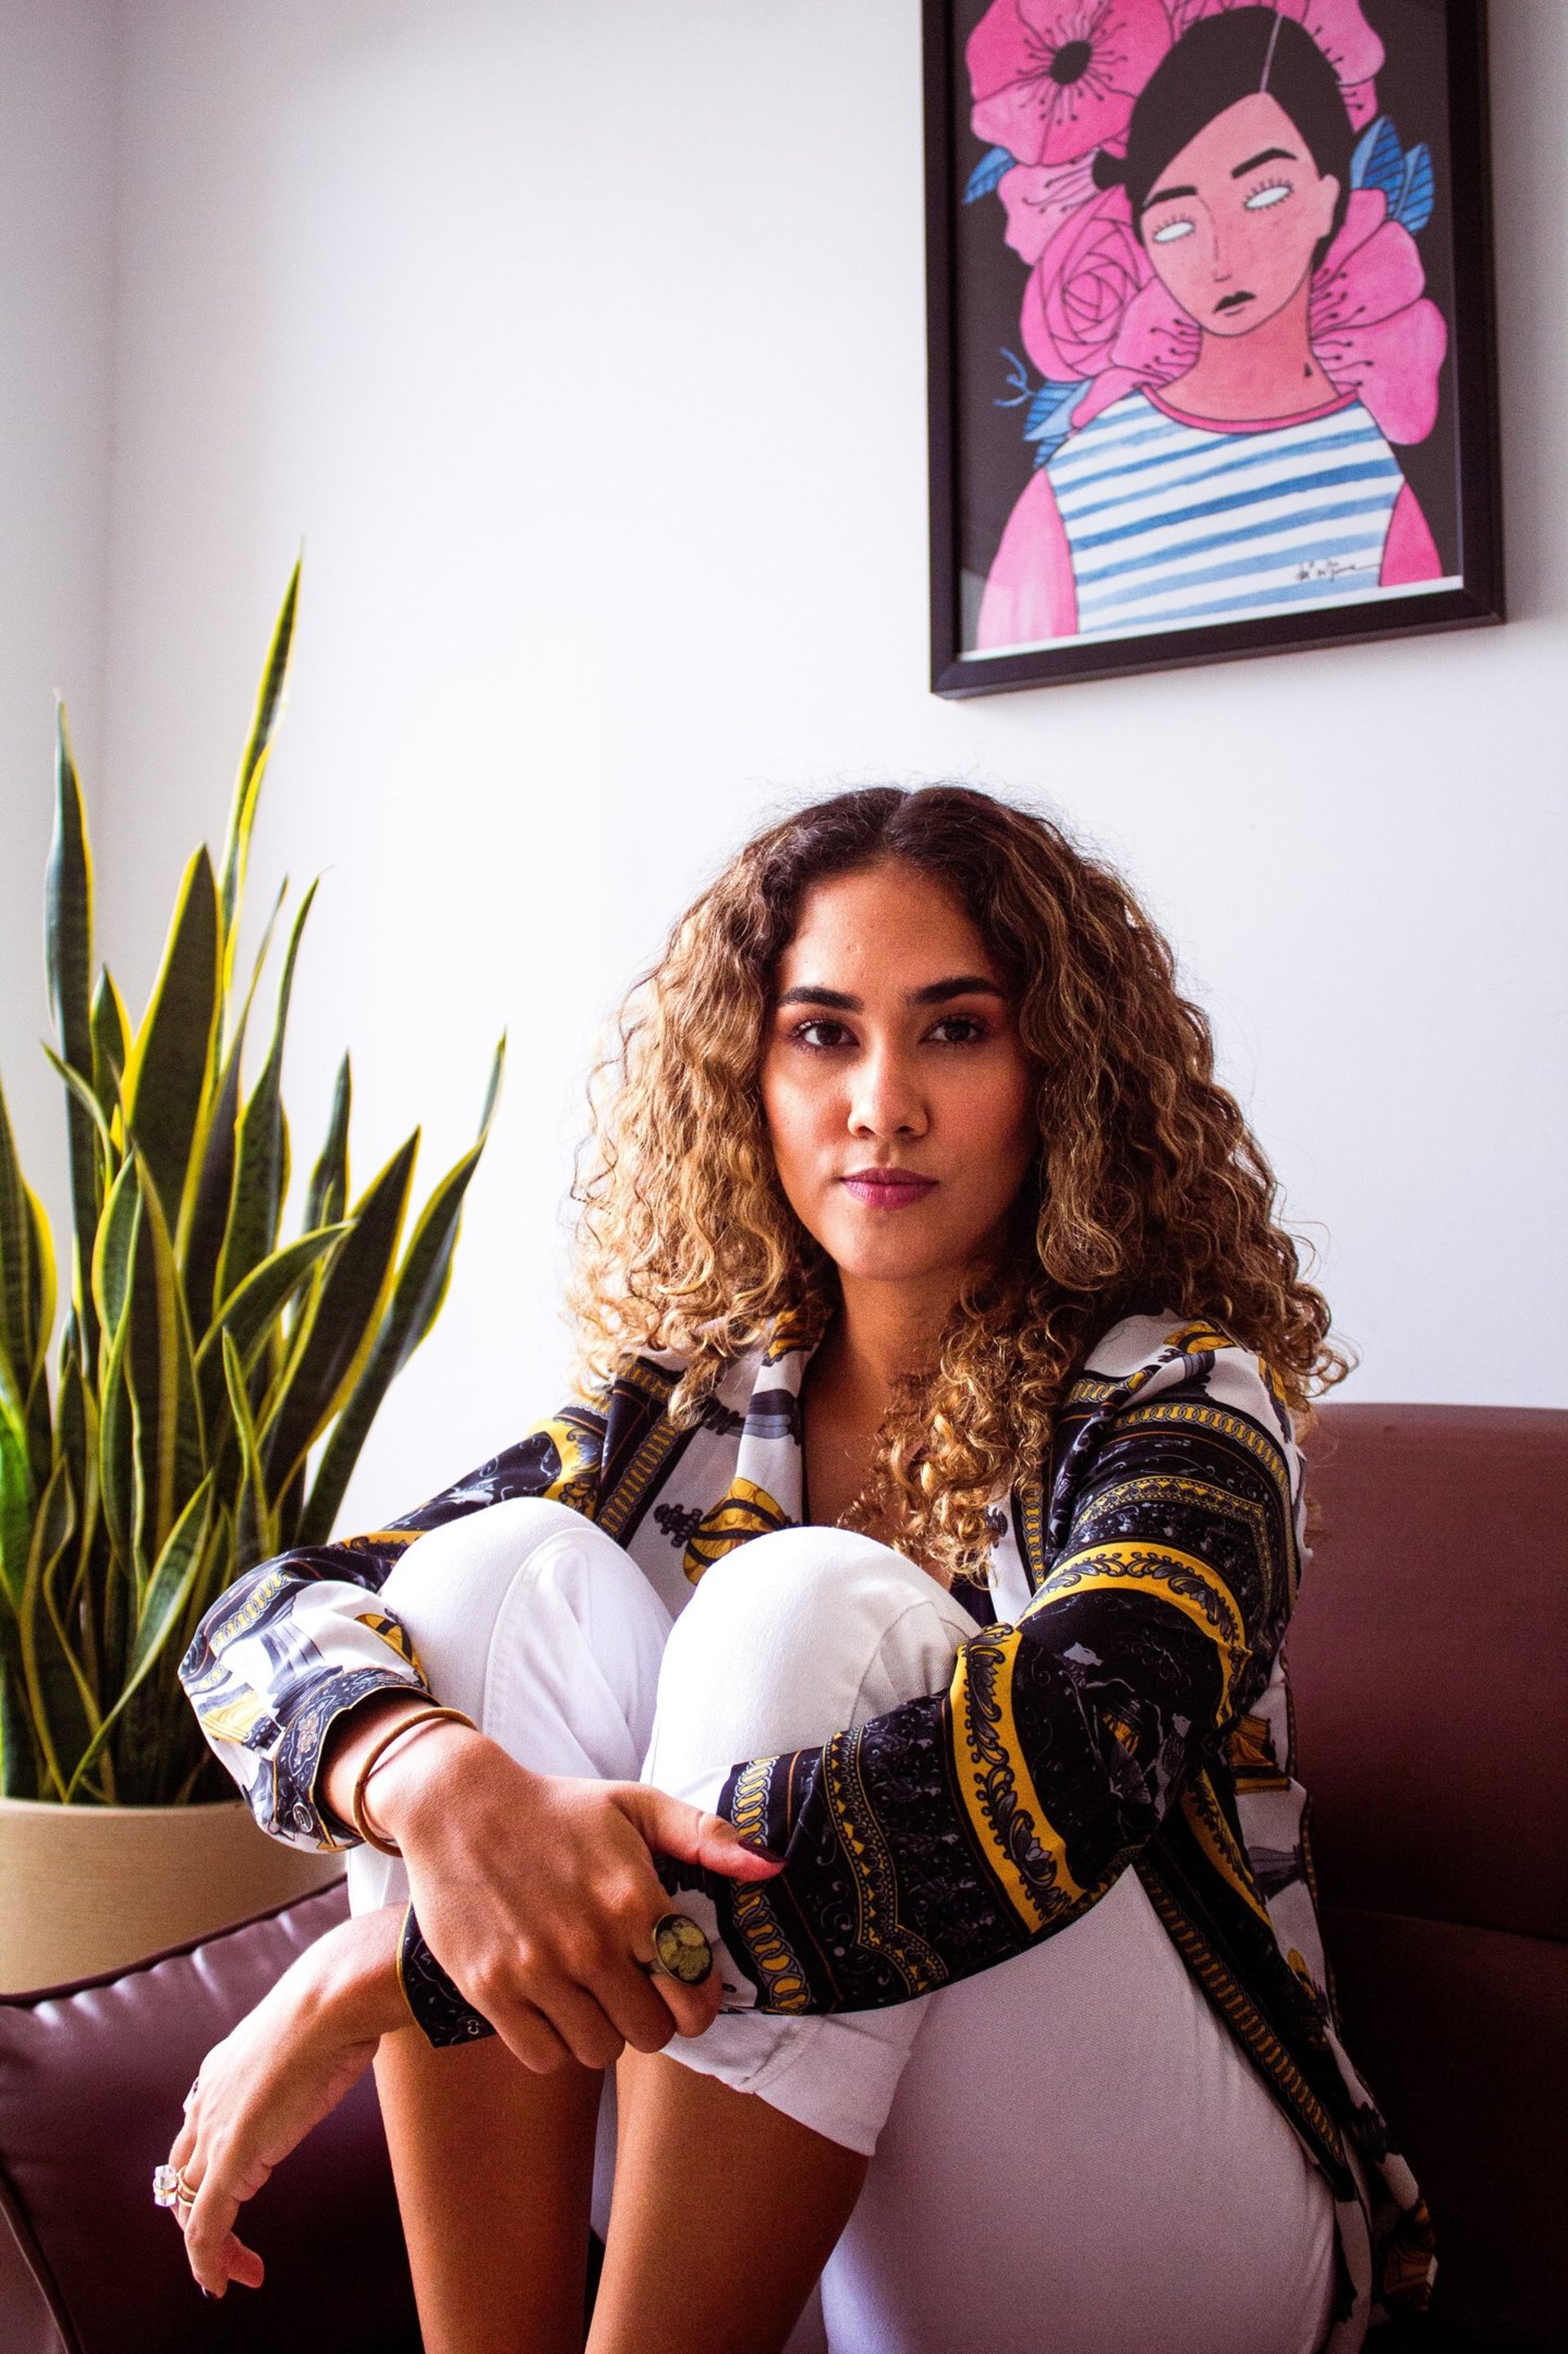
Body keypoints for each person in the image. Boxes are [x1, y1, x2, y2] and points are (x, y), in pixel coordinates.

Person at [163, 787, 1431, 2354]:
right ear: (747, 1079)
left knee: (801, 1603)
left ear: (1062, 1078)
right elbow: (253, 1629)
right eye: (822, 1034)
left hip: (1176, 2228)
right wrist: (428, 1787)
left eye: (954, 1031)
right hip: (779, 2211)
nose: (880, 1102)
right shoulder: (680, 1417)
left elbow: (1075, 1761)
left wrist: (398, 1965)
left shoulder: (1183, 1406)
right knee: (485, 1583)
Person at [978, 7, 1445, 651]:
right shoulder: (1075, 489)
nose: (1220, 256)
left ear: (1327, 199)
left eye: (1263, 196)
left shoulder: (1371, 478)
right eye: (1175, 225)